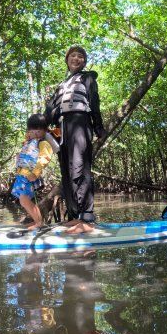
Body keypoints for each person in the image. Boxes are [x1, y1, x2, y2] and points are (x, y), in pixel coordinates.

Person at [45, 45, 105, 235]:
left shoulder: (87, 79)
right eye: (73, 55)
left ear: (84, 61)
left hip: (81, 122)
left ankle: (86, 217)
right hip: (62, 128)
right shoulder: (61, 86)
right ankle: (73, 216)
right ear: (67, 59)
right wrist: (37, 130)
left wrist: (98, 126)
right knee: (66, 171)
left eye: (81, 56)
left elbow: (94, 102)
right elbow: (49, 112)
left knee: (80, 168)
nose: (76, 58)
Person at [11, 113, 59, 230]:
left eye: (38, 131)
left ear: (44, 131)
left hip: (30, 176)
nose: (35, 133)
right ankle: (38, 221)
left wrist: (35, 173)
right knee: (23, 201)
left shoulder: (43, 143)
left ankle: (39, 223)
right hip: (22, 176)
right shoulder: (28, 142)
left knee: (24, 199)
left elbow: (44, 158)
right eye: (32, 130)